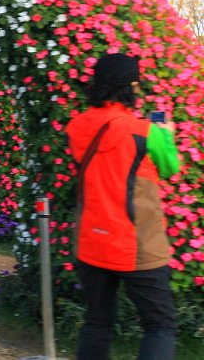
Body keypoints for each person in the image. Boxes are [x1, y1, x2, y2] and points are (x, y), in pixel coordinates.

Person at [67, 53, 181, 360]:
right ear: (132, 86)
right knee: (160, 326)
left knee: (96, 323)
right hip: (138, 246)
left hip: (92, 241)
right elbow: (170, 168)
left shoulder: (77, 126)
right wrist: (166, 136)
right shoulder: (146, 131)